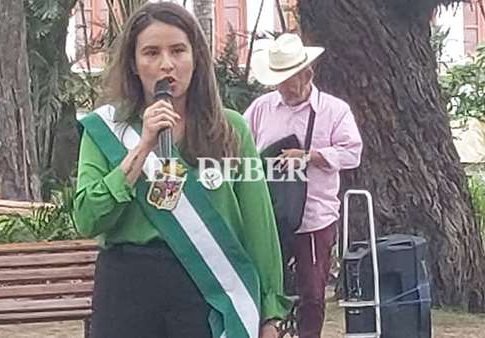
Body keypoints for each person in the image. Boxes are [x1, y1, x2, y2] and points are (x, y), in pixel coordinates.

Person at [74, 2, 291, 338]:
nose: (166, 65)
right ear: (133, 63)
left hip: (204, 283)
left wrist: (270, 315)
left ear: (196, 58)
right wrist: (142, 146)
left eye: (178, 50)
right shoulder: (105, 130)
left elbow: (259, 227)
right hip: (127, 285)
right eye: (151, 53)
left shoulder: (230, 130)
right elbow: (88, 218)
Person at [244, 33, 364, 338]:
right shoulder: (262, 108)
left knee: (312, 290)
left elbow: (353, 152)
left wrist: (309, 157)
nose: (282, 87)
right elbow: (239, 144)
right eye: (278, 80)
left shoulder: (335, 111)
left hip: (314, 215)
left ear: (307, 74)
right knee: (265, 284)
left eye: (287, 80)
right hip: (270, 215)